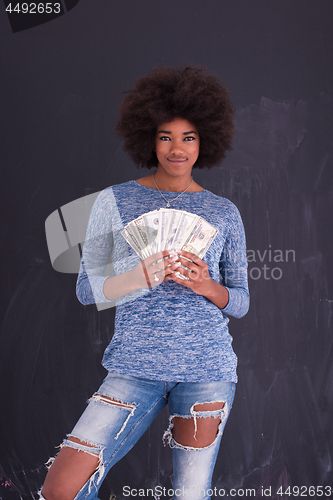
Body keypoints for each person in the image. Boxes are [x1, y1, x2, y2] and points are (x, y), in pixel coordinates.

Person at [40, 66, 249, 500]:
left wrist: (206, 286)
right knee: (62, 488)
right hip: (134, 367)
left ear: (205, 140)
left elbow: (241, 301)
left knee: (191, 495)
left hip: (206, 371)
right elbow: (86, 289)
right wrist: (140, 276)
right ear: (148, 139)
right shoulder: (113, 201)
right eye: (165, 136)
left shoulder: (224, 212)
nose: (177, 148)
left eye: (188, 137)